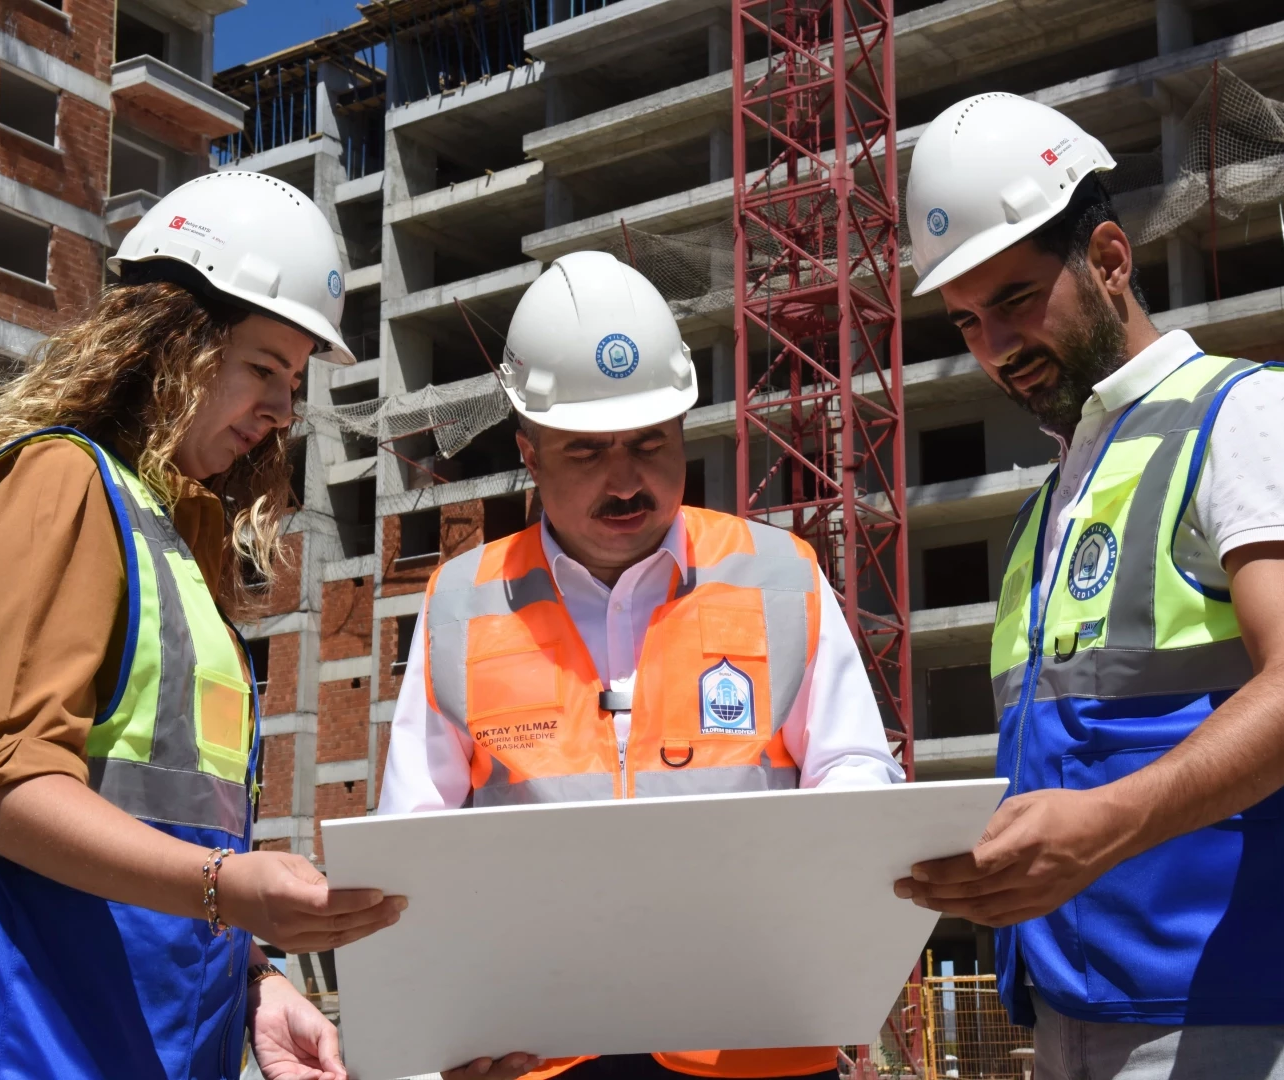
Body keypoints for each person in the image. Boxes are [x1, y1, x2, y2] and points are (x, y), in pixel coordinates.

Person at [892, 94, 1284, 1078]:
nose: (994, 345)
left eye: (1013, 298)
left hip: (1253, 1014)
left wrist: (1095, 831)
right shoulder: (1050, 507)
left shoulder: (1252, 415)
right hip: (1074, 1010)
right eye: (964, 321)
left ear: (1111, 260)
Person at [0, 172, 404, 1079]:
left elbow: (161, 829)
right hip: (13, 1047)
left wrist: (253, 979)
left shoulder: (170, 542)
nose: (279, 409)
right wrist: (233, 895)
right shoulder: (57, 484)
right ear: (168, 343)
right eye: (263, 367)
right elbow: (3, 793)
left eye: (293, 382)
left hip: (126, 1045)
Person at [377, 250, 903, 1080]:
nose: (625, 480)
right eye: (585, 452)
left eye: (649, 443)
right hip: (537, 1046)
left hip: (751, 1037)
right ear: (530, 449)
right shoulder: (462, 599)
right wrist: (428, 1043)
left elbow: (853, 770)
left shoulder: (779, 573)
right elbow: (413, 835)